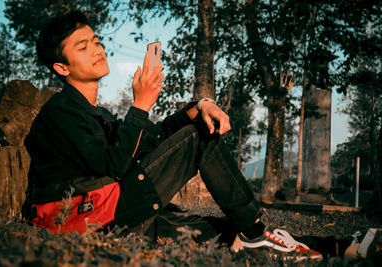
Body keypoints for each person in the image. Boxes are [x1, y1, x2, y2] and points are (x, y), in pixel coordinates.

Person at [23, 11, 322, 261]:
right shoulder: (60, 113)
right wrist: (140, 105)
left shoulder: (95, 114)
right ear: (62, 67)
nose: (97, 49)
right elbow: (113, 166)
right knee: (198, 138)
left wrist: (196, 108)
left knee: (221, 230)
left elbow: (148, 142)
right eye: (83, 46)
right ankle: (255, 234)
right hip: (96, 219)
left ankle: (338, 245)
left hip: (123, 215)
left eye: (96, 41)